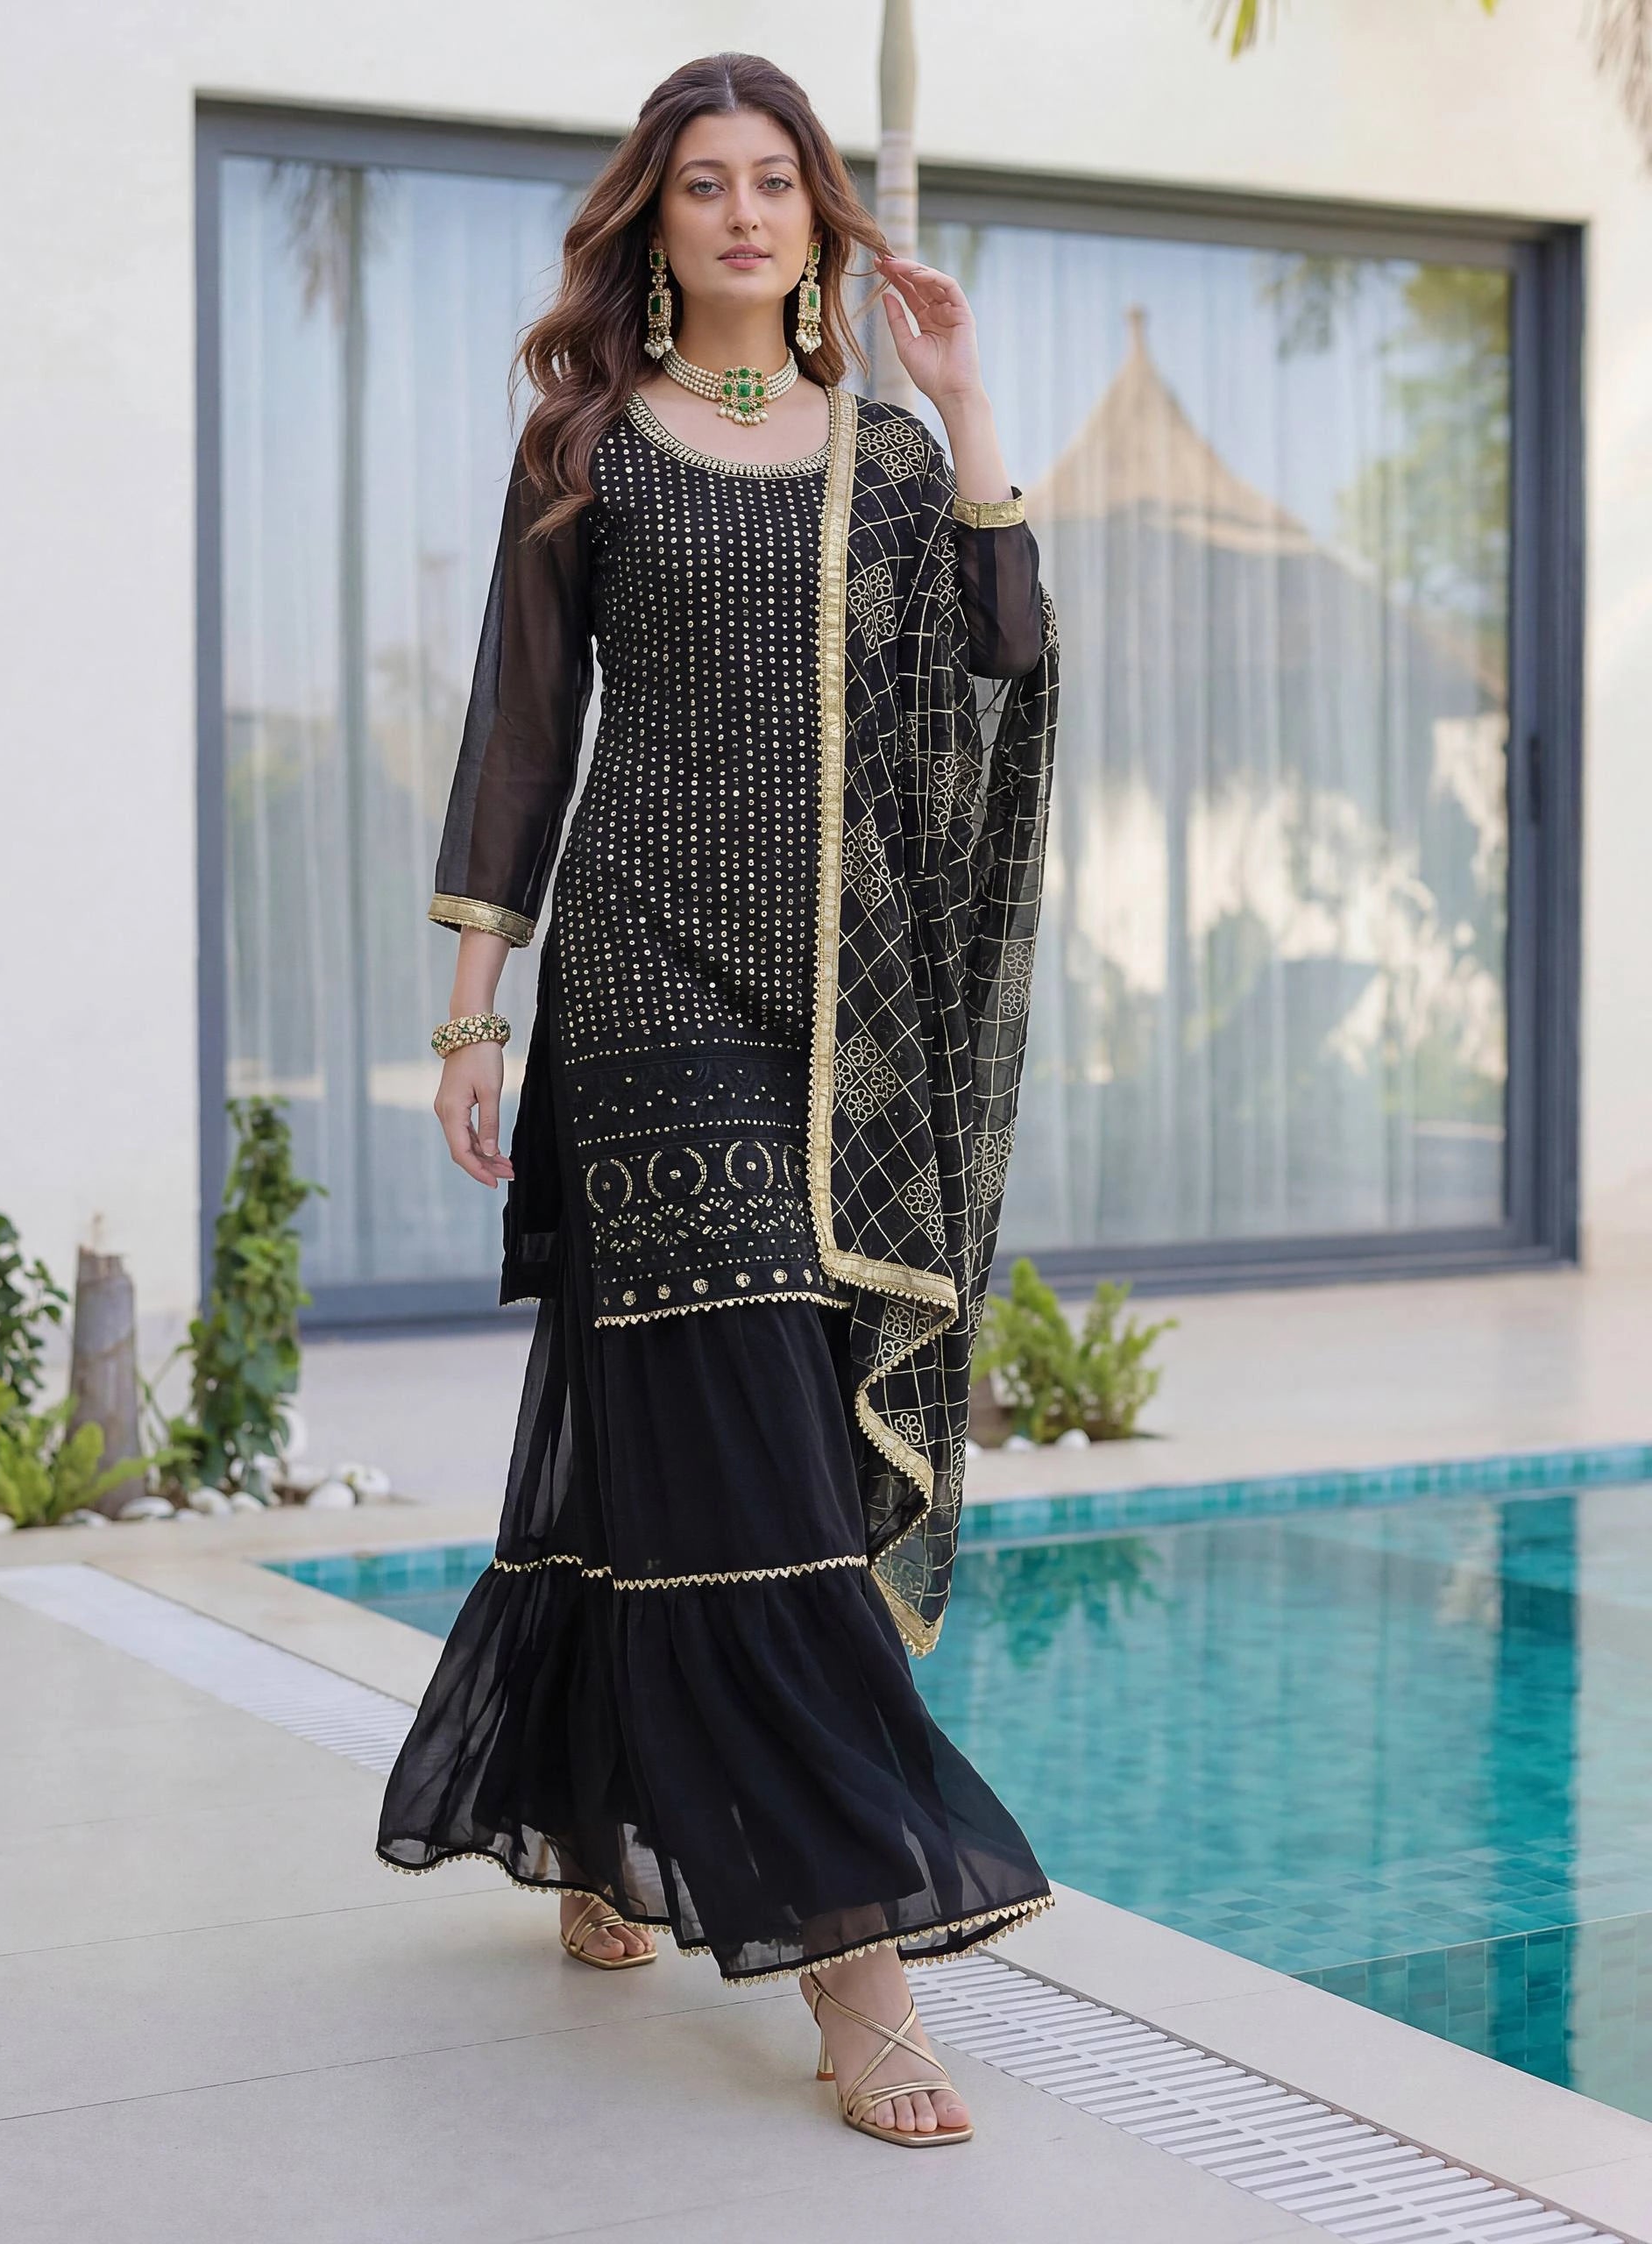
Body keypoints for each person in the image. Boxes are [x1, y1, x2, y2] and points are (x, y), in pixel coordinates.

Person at [376, 50, 1060, 2148]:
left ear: (819, 220)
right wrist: (472, 1015)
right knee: (756, 1445)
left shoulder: (885, 451)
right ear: (655, 223)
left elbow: (1006, 655)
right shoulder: (589, 445)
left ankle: (596, 1814)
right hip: (644, 982)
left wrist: (967, 405)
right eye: (707, 184)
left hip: (844, 1011)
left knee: (684, 1423)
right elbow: (520, 726)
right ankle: (858, 1965)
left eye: (778, 182)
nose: (747, 213)